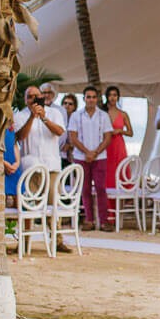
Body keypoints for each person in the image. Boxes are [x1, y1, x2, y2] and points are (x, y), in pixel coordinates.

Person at [67, 86, 115, 230]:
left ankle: (104, 221)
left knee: (101, 188)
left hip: (100, 157)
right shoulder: (76, 115)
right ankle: (89, 220)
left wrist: (95, 153)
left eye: (94, 97)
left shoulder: (103, 116)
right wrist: (87, 152)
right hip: (81, 156)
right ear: (84, 99)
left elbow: (108, 137)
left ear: (97, 99)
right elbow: (73, 137)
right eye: (88, 97)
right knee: (85, 188)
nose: (91, 100)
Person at [13, 85, 67, 175]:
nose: (34, 99)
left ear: (41, 97)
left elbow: (59, 132)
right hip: (30, 167)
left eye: (36, 96)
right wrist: (31, 117)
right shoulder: (19, 116)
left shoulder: (54, 112)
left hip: (52, 166)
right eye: (30, 97)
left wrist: (44, 118)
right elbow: (20, 137)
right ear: (25, 101)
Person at [102, 85, 134, 224]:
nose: (113, 97)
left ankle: (118, 209)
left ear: (118, 97)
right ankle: (108, 212)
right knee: (108, 175)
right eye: (110, 95)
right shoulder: (103, 113)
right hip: (107, 145)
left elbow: (131, 132)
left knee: (120, 173)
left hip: (119, 145)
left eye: (115, 95)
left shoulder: (123, 114)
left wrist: (120, 131)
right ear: (107, 97)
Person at [3, 126, 22, 210]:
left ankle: (21, 222)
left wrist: (17, 163)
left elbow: (15, 145)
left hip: (13, 166)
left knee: (19, 200)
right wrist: (4, 163)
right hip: (0, 164)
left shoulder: (10, 127)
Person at [59, 94, 79, 166]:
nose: (67, 105)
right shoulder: (57, 118)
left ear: (74, 107)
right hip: (59, 154)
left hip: (73, 156)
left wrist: (70, 145)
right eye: (65, 103)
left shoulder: (77, 119)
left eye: (70, 104)